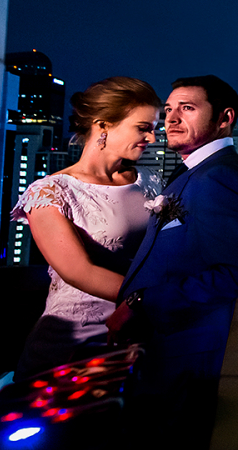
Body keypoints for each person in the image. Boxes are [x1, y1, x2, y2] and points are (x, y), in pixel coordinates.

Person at [108, 74, 238, 387]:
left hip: (186, 358)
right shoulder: (201, 171)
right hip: (165, 350)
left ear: (225, 118)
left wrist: (143, 302)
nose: (171, 118)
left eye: (186, 108)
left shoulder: (219, 176)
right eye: (169, 109)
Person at [11, 76, 160, 377]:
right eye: (143, 128)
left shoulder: (150, 180)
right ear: (103, 125)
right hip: (71, 347)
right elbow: (79, 272)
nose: (153, 139)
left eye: (154, 129)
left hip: (139, 338)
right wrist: (151, 299)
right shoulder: (50, 192)